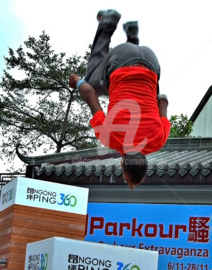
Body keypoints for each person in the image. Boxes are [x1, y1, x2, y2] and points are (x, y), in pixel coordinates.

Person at [69, 9, 170, 190]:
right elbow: (89, 93)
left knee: (118, 87)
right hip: (121, 58)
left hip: (152, 62)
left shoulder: (158, 141)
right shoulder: (110, 137)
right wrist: (77, 83)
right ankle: (108, 21)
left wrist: (155, 100)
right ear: (122, 164)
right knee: (92, 79)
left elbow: (162, 100)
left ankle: (132, 34)